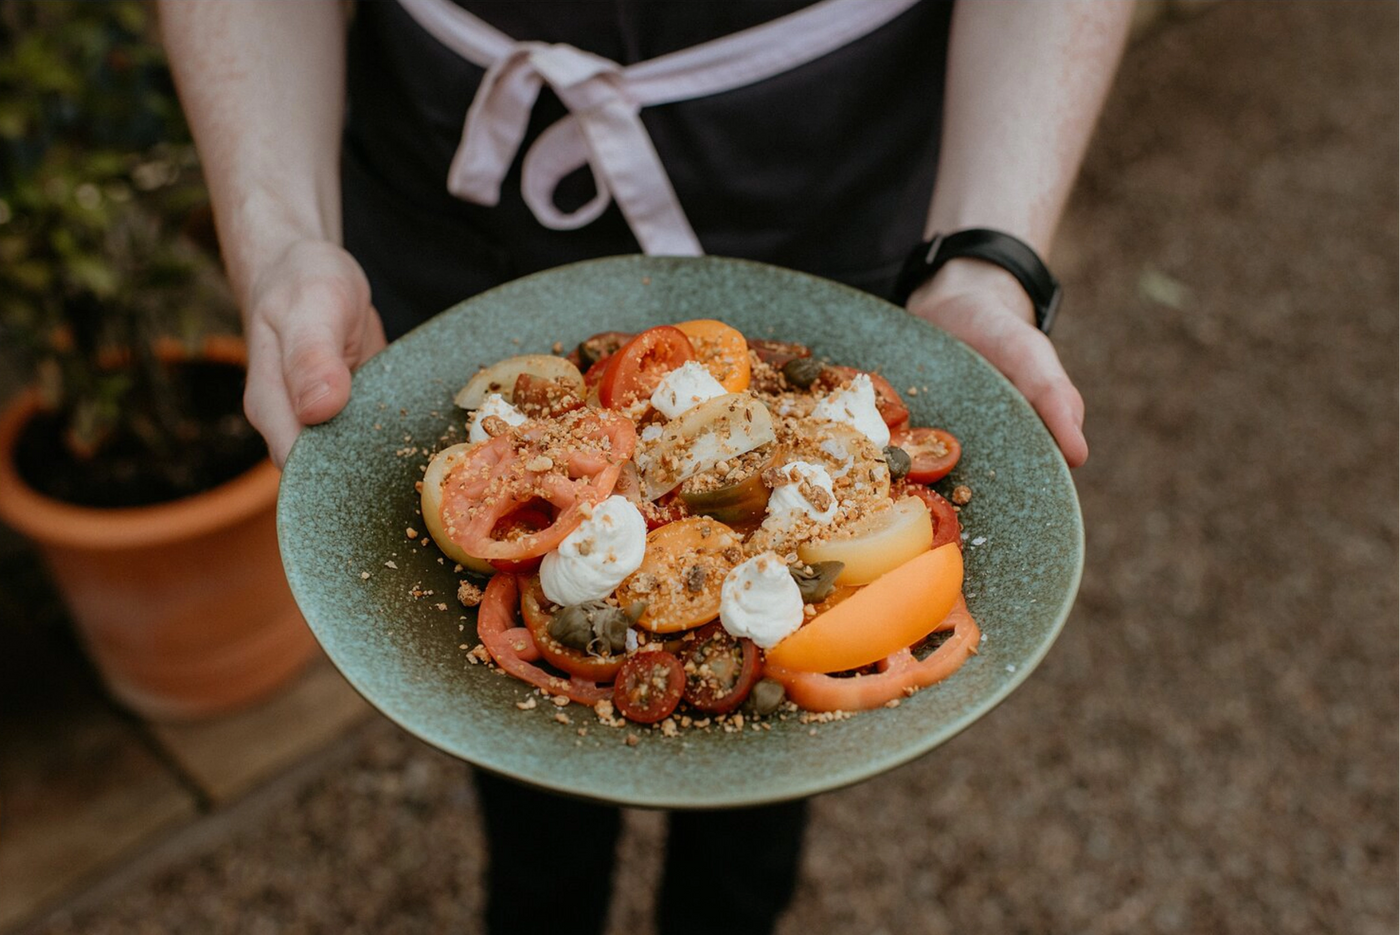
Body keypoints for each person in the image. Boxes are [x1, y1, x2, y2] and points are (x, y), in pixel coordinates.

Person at [159, 2, 1131, 933]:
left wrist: (983, 255)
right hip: (451, 206)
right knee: (517, 762)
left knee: (773, 729)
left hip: (822, 175)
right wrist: (280, 241)